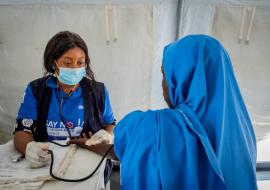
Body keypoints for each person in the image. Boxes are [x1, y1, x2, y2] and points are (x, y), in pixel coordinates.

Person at [69, 35, 258, 189]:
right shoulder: (244, 131)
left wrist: (87, 144)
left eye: (165, 75)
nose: (163, 84)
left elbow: (122, 148)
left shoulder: (150, 126)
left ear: (182, 79)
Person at [13, 31, 115, 170]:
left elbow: (110, 123)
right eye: (67, 62)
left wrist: (107, 134)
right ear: (54, 63)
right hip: (48, 160)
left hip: (88, 160)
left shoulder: (98, 91)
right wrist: (29, 148)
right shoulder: (36, 89)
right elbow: (22, 131)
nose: (74, 68)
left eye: (80, 62)